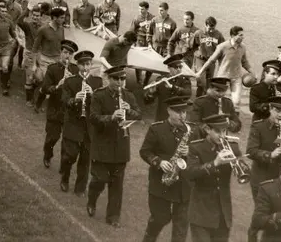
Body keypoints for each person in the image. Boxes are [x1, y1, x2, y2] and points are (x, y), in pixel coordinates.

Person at [87, 65, 141, 227]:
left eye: (122, 79)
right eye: (116, 79)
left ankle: (113, 217)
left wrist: (129, 111)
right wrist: (111, 117)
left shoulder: (128, 96)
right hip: (103, 144)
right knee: (100, 180)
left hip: (120, 146)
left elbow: (139, 114)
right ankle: (92, 200)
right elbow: (93, 117)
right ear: (108, 79)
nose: (120, 82)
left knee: (117, 184)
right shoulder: (99, 95)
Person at [139, 96, 195, 242]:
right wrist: (159, 162)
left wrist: (191, 152)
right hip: (161, 181)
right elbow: (145, 151)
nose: (182, 116)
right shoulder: (156, 129)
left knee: (181, 225)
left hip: (184, 184)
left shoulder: (192, 130)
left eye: (184, 112)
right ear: (169, 110)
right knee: (160, 218)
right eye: (178, 112)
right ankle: (148, 238)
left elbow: (201, 154)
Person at [184, 113, 247, 242]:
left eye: (224, 131)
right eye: (218, 131)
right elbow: (190, 173)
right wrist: (215, 163)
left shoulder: (233, 147)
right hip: (201, 211)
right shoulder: (196, 147)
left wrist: (240, 165)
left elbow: (246, 173)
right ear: (207, 129)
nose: (222, 135)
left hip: (223, 213)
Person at [246, 96, 281, 242]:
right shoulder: (258, 126)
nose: (280, 115)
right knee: (261, 216)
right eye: (277, 111)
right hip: (262, 179)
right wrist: (270, 154)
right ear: (270, 109)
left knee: (279, 214)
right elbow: (251, 151)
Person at [60, 50, 103, 195]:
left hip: (89, 127)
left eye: (88, 64)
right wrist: (75, 99)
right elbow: (64, 101)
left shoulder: (97, 82)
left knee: (85, 160)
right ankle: (65, 178)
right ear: (77, 65)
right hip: (73, 124)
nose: (85, 68)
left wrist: (93, 95)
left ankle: (80, 188)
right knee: (69, 156)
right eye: (83, 65)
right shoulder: (70, 81)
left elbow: (101, 106)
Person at [38, 40, 79, 169]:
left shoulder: (75, 70)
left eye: (70, 54)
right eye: (65, 52)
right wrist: (58, 85)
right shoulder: (52, 69)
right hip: (55, 109)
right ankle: (47, 155)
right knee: (52, 138)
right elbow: (45, 88)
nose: (67, 56)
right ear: (60, 53)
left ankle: (64, 167)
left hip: (69, 111)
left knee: (68, 143)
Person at [195, 26, 253, 108]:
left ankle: (233, 119)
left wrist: (252, 72)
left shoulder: (243, 47)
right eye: (240, 35)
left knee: (236, 102)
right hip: (223, 77)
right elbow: (211, 60)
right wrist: (200, 72)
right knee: (217, 101)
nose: (243, 37)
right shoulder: (222, 47)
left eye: (242, 35)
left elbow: (244, 62)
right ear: (233, 35)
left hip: (236, 77)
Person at [32, 7, 67, 107]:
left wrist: (64, 58)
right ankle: (38, 102)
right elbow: (35, 48)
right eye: (61, 18)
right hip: (44, 59)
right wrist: (34, 64)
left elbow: (62, 45)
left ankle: (41, 102)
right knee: (43, 82)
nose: (63, 20)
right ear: (54, 18)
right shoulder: (43, 29)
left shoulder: (62, 29)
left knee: (53, 83)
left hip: (57, 60)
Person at [144, 54, 194, 121]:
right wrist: (150, 93)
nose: (179, 70)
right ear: (169, 68)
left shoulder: (184, 80)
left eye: (180, 67)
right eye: (176, 67)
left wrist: (173, 87)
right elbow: (147, 102)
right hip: (163, 117)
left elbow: (188, 93)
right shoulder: (160, 80)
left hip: (178, 117)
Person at [192, 16, 224, 96]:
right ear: (205, 25)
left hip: (211, 61)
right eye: (210, 28)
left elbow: (222, 48)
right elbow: (191, 46)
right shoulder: (198, 33)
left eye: (213, 28)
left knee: (209, 82)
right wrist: (198, 53)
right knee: (201, 81)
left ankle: (206, 100)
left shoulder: (218, 34)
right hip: (200, 60)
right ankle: (199, 99)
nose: (211, 30)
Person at [131, 1, 154, 86]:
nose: (140, 10)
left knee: (151, 61)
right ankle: (139, 80)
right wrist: (133, 43)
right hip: (140, 40)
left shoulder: (153, 18)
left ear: (147, 9)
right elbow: (132, 31)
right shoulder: (136, 18)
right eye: (139, 8)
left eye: (142, 9)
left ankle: (147, 79)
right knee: (138, 61)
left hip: (149, 41)